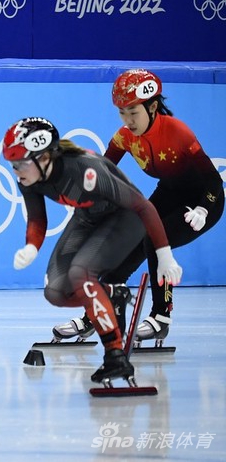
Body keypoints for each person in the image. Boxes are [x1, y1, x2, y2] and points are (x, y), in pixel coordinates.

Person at [2, 117, 183, 384]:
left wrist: (164, 253)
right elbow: (37, 219)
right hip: (88, 216)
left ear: (44, 157)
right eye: (12, 164)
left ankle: (115, 356)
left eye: (19, 163)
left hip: (126, 218)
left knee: (80, 273)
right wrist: (31, 246)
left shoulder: (86, 171)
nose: (16, 171)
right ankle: (113, 295)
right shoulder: (29, 177)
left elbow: (143, 206)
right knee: (55, 292)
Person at [53, 70, 223, 344]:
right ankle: (94, 316)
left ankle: (160, 317)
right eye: (122, 113)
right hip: (168, 192)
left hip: (203, 200)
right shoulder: (124, 137)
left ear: (152, 106)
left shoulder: (177, 131)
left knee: (157, 240)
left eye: (133, 112)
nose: (127, 120)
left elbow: (213, 180)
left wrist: (204, 208)